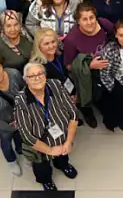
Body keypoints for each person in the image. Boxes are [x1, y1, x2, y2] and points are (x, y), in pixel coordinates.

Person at [14, 61, 80, 190]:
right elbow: (27, 136)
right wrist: (50, 151)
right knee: (42, 167)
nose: (37, 78)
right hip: (40, 145)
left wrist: (68, 142)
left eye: (40, 74)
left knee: (62, 156)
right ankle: (46, 180)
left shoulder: (55, 85)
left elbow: (73, 114)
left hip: (61, 138)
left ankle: (63, 165)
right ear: (26, 80)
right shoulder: (21, 100)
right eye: (32, 76)